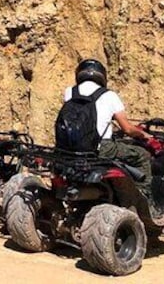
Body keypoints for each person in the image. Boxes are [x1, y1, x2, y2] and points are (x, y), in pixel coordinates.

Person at [60, 59, 153, 197]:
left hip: (70, 148)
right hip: (101, 148)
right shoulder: (109, 95)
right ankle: (144, 196)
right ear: (102, 76)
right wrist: (144, 135)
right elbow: (127, 129)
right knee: (142, 155)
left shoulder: (69, 92)